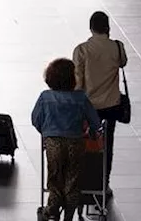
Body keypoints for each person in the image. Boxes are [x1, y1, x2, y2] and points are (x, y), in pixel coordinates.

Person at [32, 58, 104, 221]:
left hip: (53, 143)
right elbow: (95, 122)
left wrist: (46, 132)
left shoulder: (45, 97)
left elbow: (36, 119)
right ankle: (69, 215)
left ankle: (51, 209)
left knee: (55, 177)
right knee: (72, 178)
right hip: (75, 142)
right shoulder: (80, 98)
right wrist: (91, 132)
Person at [73, 11, 128, 194]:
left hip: (88, 106)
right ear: (108, 27)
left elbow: (78, 81)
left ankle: (86, 182)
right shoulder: (117, 47)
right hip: (111, 104)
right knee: (107, 145)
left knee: (86, 144)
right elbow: (123, 63)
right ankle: (104, 184)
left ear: (90, 28)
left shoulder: (81, 50)